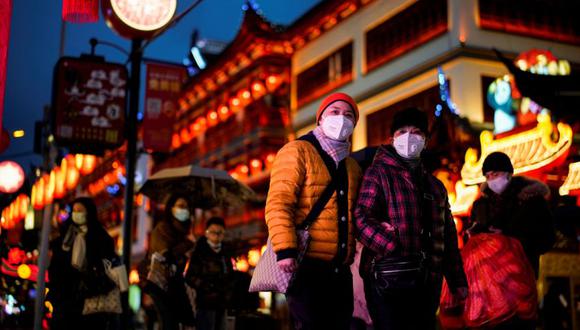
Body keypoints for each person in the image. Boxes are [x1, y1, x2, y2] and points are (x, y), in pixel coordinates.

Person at [354, 107, 467, 330]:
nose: (409, 137)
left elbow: (447, 235)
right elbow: (360, 218)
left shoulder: (436, 186)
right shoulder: (378, 173)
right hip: (388, 278)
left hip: (428, 283)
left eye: (416, 132)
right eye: (402, 131)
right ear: (391, 138)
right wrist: (391, 245)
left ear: (425, 141)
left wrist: (457, 280)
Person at [265, 92, 362, 330]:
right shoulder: (297, 150)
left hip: (340, 270)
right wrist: (286, 249)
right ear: (320, 118)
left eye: (349, 115)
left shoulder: (351, 166)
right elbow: (279, 201)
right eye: (335, 112)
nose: (341, 119)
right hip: (306, 264)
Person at [469, 151, 555, 276]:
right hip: (485, 276)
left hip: (521, 274)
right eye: (487, 177)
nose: (492, 180)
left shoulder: (532, 201)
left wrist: (508, 239)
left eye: (495, 174)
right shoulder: (480, 205)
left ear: (509, 174)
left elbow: (547, 239)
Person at [48, 197, 120, 330]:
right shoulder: (64, 238)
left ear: (89, 212)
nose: (77, 213)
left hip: (91, 301)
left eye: (80, 210)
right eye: (74, 210)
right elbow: (56, 267)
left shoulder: (101, 238)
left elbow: (108, 266)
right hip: (66, 299)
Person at [145, 193, 195, 330]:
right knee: (168, 322)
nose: (184, 209)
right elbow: (166, 254)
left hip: (175, 284)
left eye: (186, 207)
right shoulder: (162, 228)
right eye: (180, 206)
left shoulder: (185, 232)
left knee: (183, 321)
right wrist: (188, 244)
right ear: (171, 208)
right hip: (160, 283)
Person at [185, 217, 234, 330]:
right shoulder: (199, 252)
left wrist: (228, 291)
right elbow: (189, 277)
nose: (216, 235)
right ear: (206, 233)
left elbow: (231, 275)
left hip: (222, 303)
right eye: (213, 232)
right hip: (205, 304)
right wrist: (206, 286)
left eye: (220, 232)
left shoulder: (225, 253)